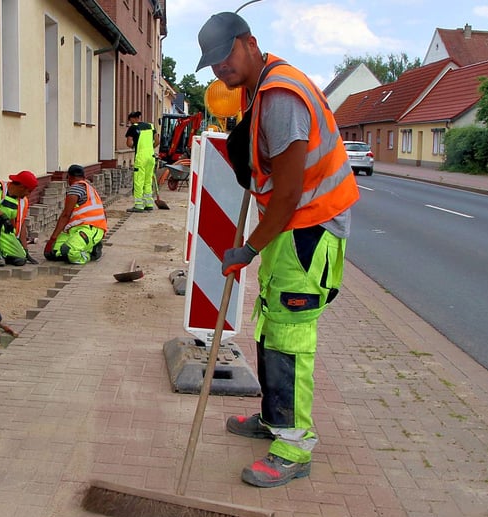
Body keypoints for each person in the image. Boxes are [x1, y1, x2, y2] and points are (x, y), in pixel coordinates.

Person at [196, 12, 359, 488]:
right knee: (272, 320)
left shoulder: (281, 96)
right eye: (212, 64)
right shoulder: (258, 87)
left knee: (290, 338)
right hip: (291, 228)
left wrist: (247, 248)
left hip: (310, 228)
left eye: (225, 56)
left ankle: (293, 446)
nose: (219, 69)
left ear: (248, 43)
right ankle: (274, 416)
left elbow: (287, 194)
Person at [44, 164, 108, 265]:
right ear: (84, 177)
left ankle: (90, 252)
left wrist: (52, 239)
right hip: (74, 229)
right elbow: (104, 212)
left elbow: (65, 215)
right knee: (53, 253)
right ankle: (87, 246)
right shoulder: (90, 188)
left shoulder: (75, 189)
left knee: (69, 252)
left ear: (69, 177)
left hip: (90, 229)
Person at [125, 111, 158, 212]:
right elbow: (157, 141)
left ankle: (139, 205)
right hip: (151, 156)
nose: (130, 123)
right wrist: (149, 149)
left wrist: (135, 146)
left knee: (139, 180)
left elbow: (129, 143)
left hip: (141, 157)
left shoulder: (133, 128)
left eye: (130, 121)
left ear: (133, 119)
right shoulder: (151, 126)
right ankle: (148, 203)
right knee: (148, 180)